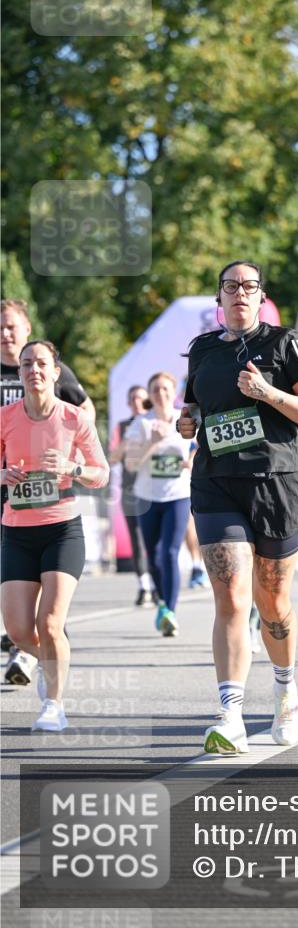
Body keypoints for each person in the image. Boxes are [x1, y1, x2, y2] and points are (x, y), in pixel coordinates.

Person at [177, 261, 298, 754]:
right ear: (219, 297)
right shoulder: (201, 350)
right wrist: (187, 421)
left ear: (261, 297)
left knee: (273, 603)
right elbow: (194, 407)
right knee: (232, 598)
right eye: (230, 286)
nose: (239, 293)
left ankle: (285, 690)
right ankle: (231, 713)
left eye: (249, 286)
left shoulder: (285, 344)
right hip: (217, 482)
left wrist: (266, 392)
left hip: (278, 483)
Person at [0, 340, 108, 730]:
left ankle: (54, 706)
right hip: (16, 532)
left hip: (62, 530)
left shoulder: (75, 419)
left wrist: (71, 467)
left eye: (42, 363)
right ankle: (52, 661)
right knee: (16, 629)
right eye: (27, 364)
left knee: (49, 623)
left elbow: (102, 474)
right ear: (20, 372)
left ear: (56, 371)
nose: (34, 370)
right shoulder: (5, 417)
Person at [2, 298, 95, 683]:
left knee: (47, 600)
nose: (5, 334)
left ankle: (41, 654)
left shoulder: (54, 371)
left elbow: (84, 414)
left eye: (11, 326)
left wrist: (68, 454)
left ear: (26, 329)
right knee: (15, 591)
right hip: (8, 495)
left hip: (51, 501)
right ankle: (39, 648)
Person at [125, 372, 193, 637]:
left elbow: (199, 447)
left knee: (169, 551)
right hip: (147, 497)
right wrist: (152, 443)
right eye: (155, 390)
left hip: (177, 494)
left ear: (173, 391)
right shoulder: (141, 424)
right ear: (150, 395)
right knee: (152, 555)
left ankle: (170, 612)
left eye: (165, 389)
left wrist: (193, 460)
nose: (160, 394)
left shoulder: (184, 418)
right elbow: (131, 464)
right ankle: (162, 603)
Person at [109, 384, 155, 606]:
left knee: (154, 539)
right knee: (136, 537)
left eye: (141, 398)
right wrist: (126, 441)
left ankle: (157, 585)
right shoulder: (123, 426)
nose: (137, 402)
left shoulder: (156, 422)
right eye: (133, 398)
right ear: (128, 403)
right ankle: (144, 586)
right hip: (130, 488)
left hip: (155, 487)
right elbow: (114, 457)